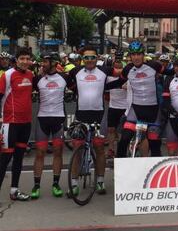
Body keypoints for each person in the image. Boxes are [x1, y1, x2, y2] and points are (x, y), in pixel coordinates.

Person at [66, 46, 120, 196]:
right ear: (82, 59)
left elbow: (122, 74)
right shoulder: (75, 71)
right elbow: (63, 80)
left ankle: (100, 181)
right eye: (86, 58)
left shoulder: (104, 71)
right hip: (81, 115)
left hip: (98, 116)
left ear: (97, 58)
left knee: (99, 148)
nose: (89, 60)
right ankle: (74, 183)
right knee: (77, 149)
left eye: (92, 57)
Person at [108, 40, 162, 158]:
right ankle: (120, 171)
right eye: (133, 54)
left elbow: (171, 71)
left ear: (143, 55)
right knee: (124, 140)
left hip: (152, 111)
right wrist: (103, 87)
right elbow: (119, 82)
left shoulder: (154, 65)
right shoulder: (128, 69)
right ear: (130, 56)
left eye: (139, 54)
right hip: (136, 111)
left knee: (155, 146)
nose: (136, 57)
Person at [30, 52, 67, 199]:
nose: (42, 64)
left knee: (58, 152)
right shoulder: (38, 79)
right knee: (40, 153)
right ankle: (36, 185)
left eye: (45, 62)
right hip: (42, 119)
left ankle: (56, 184)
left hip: (58, 119)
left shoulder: (64, 78)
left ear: (53, 63)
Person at [0, 48, 33, 201]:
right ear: (17, 60)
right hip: (10, 123)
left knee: (19, 157)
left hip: (26, 123)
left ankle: (14, 191)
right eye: (22, 59)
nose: (25, 62)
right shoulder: (7, 75)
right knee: (5, 159)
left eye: (27, 59)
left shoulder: (31, 75)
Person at [106, 52, 128, 158]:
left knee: (121, 131)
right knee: (111, 129)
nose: (118, 68)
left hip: (125, 107)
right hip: (113, 107)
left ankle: (121, 150)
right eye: (116, 66)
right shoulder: (109, 77)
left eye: (120, 66)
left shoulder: (126, 77)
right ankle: (111, 149)